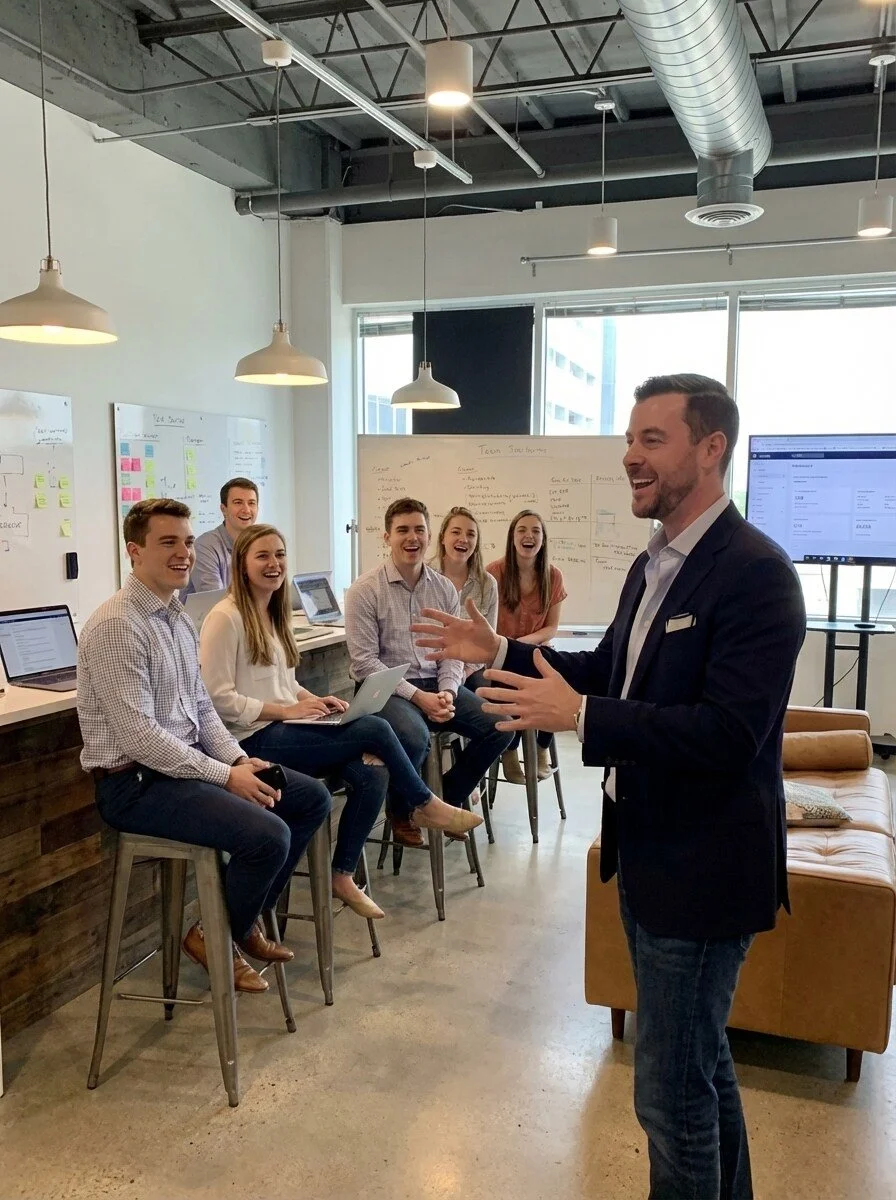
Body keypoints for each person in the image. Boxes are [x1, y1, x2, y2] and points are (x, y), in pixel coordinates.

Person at [412, 375, 806, 1200]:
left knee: (669, 1097)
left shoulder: (756, 573)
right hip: (650, 855)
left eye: (652, 439)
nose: (630, 456)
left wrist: (583, 717)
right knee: (698, 1066)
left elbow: (727, 734)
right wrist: (502, 652)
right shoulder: (652, 563)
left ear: (711, 449)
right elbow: (611, 669)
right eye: (630, 439)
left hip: (703, 871)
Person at [77, 498, 331, 994]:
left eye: (189, 542)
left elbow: (201, 708)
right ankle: (215, 937)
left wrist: (238, 758)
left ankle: (238, 922)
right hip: (135, 784)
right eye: (168, 542)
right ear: (134, 551)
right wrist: (225, 775)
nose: (184, 553)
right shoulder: (117, 625)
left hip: (181, 769)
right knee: (268, 836)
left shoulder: (176, 617)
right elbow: (141, 738)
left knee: (310, 799)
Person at [199, 524, 482, 919]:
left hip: (283, 728)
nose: (274, 563)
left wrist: (312, 700)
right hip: (252, 741)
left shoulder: (271, 612)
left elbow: (283, 683)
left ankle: (342, 873)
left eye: (279, 555)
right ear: (241, 564)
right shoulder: (224, 618)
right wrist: (285, 711)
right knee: (375, 728)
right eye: (262, 556)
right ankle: (424, 803)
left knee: (373, 773)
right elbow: (217, 699)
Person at [344, 497, 507, 848]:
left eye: (419, 530)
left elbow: (453, 651)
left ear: (430, 536)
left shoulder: (443, 588)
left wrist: (448, 691)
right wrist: (420, 697)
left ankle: (441, 800)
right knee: (414, 736)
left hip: (436, 682)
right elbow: (364, 663)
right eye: (402, 530)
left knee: (500, 726)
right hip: (385, 688)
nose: (412, 538)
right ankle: (402, 810)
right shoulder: (364, 590)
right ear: (387, 537)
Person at [487, 509, 566, 784]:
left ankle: (542, 747)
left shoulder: (553, 576)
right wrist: (510, 648)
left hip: (536, 651)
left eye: (535, 531)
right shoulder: (494, 573)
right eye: (522, 530)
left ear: (543, 540)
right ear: (512, 537)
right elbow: (486, 623)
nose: (528, 535)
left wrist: (521, 645)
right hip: (500, 653)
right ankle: (510, 751)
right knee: (515, 679)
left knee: (557, 677)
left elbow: (551, 628)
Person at [431, 505, 499, 692]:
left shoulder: (487, 584)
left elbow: (488, 641)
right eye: (456, 532)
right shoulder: (425, 576)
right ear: (442, 538)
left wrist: (464, 673)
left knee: (486, 696)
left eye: (471, 534)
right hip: (430, 666)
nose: (463, 539)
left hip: (471, 668)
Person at [181, 476, 259, 597]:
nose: (246, 510)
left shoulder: (258, 545)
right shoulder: (205, 546)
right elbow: (215, 600)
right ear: (224, 509)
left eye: (251, 503)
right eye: (238, 502)